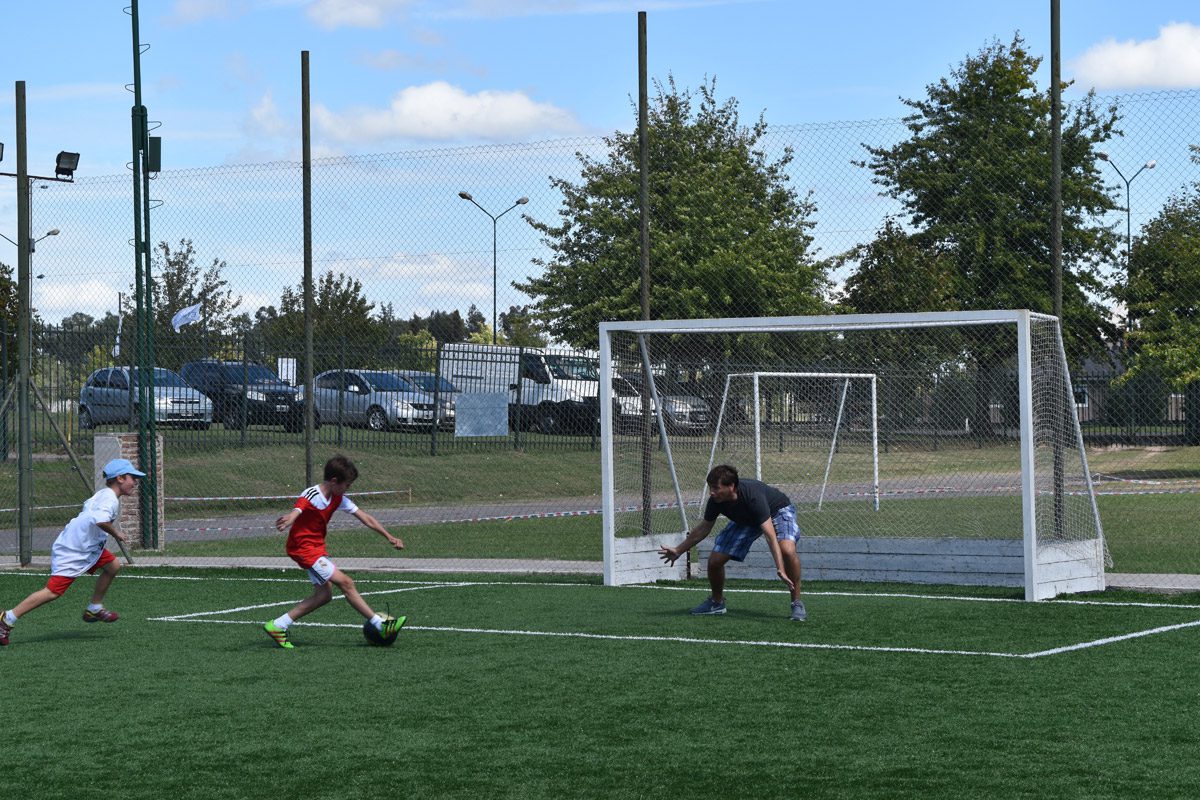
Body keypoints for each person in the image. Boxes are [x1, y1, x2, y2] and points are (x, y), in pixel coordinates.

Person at [263, 454, 407, 649]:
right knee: (346, 582)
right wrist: (291, 517)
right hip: (304, 549)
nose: (347, 489)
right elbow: (299, 507)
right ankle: (380, 624)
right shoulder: (312, 494)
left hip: (316, 549)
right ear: (333, 481)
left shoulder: (337, 498)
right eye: (346, 485)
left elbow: (365, 517)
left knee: (324, 595)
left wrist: (388, 536)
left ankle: (278, 625)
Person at [0, 458, 144, 646]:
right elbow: (100, 520)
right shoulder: (109, 498)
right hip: (75, 550)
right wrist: (117, 533)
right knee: (52, 592)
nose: (135, 482)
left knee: (113, 566)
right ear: (120, 478)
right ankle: (7, 619)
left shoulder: (104, 494)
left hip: (88, 547)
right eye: (132, 478)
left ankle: (94, 608)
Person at [658, 464, 806, 621]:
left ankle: (796, 602)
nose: (711, 492)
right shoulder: (716, 501)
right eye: (710, 487)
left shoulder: (752, 495)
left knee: (787, 550)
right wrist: (679, 550)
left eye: (716, 488)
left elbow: (769, 534)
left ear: (731, 486)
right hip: (747, 520)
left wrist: (780, 569)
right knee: (715, 561)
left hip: (777, 511)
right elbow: (703, 529)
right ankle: (716, 603)